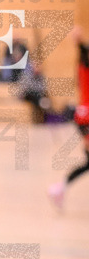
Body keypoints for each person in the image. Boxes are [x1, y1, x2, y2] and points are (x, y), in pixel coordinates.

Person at [49, 27, 89, 210]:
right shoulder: (85, 66)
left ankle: (60, 188)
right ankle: (60, 188)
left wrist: (79, 41)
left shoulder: (82, 65)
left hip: (83, 116)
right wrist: (79, 41)